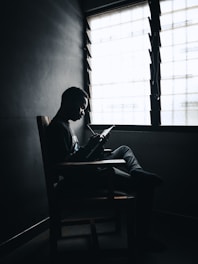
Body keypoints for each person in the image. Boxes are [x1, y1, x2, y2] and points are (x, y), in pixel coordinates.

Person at [46, 86, 163, 250]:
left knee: (123, 149)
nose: (83, 112)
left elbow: (76, 154)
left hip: (88, 169)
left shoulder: (65, 125)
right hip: (86, 178)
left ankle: (136, 171)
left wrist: (93, 147)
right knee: (146, 186)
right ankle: (142, 239)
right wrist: (89, 149)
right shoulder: (57, 128)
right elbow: (64, 167)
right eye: (81, 107)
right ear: (69, 102)